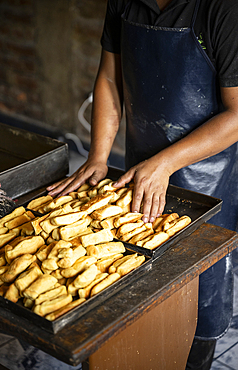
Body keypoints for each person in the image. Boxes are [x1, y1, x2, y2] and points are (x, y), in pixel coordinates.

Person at [47, 0, 238, 368]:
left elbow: (236, 115)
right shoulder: (123, 1)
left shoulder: (222, 9)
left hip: (207, 182)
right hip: (142, 169)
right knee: (137, 285)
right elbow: (108, 78)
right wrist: (98, 158)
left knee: (200, 297)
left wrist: (165, 163)